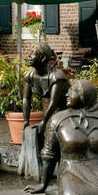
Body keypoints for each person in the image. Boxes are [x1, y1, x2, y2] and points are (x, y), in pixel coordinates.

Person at [17, 42, 68, 179]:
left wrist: (43, 122)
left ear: (43, 59)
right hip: (48, 115)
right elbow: (26, 100)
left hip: (63, 116)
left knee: (50, 147)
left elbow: (54, 103)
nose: (28, 56)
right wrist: (26, 120)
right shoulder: (30, 75)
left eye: (32, 54)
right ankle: (44, 173)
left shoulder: (57, 77)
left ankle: (50, 179)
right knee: (36, 137)